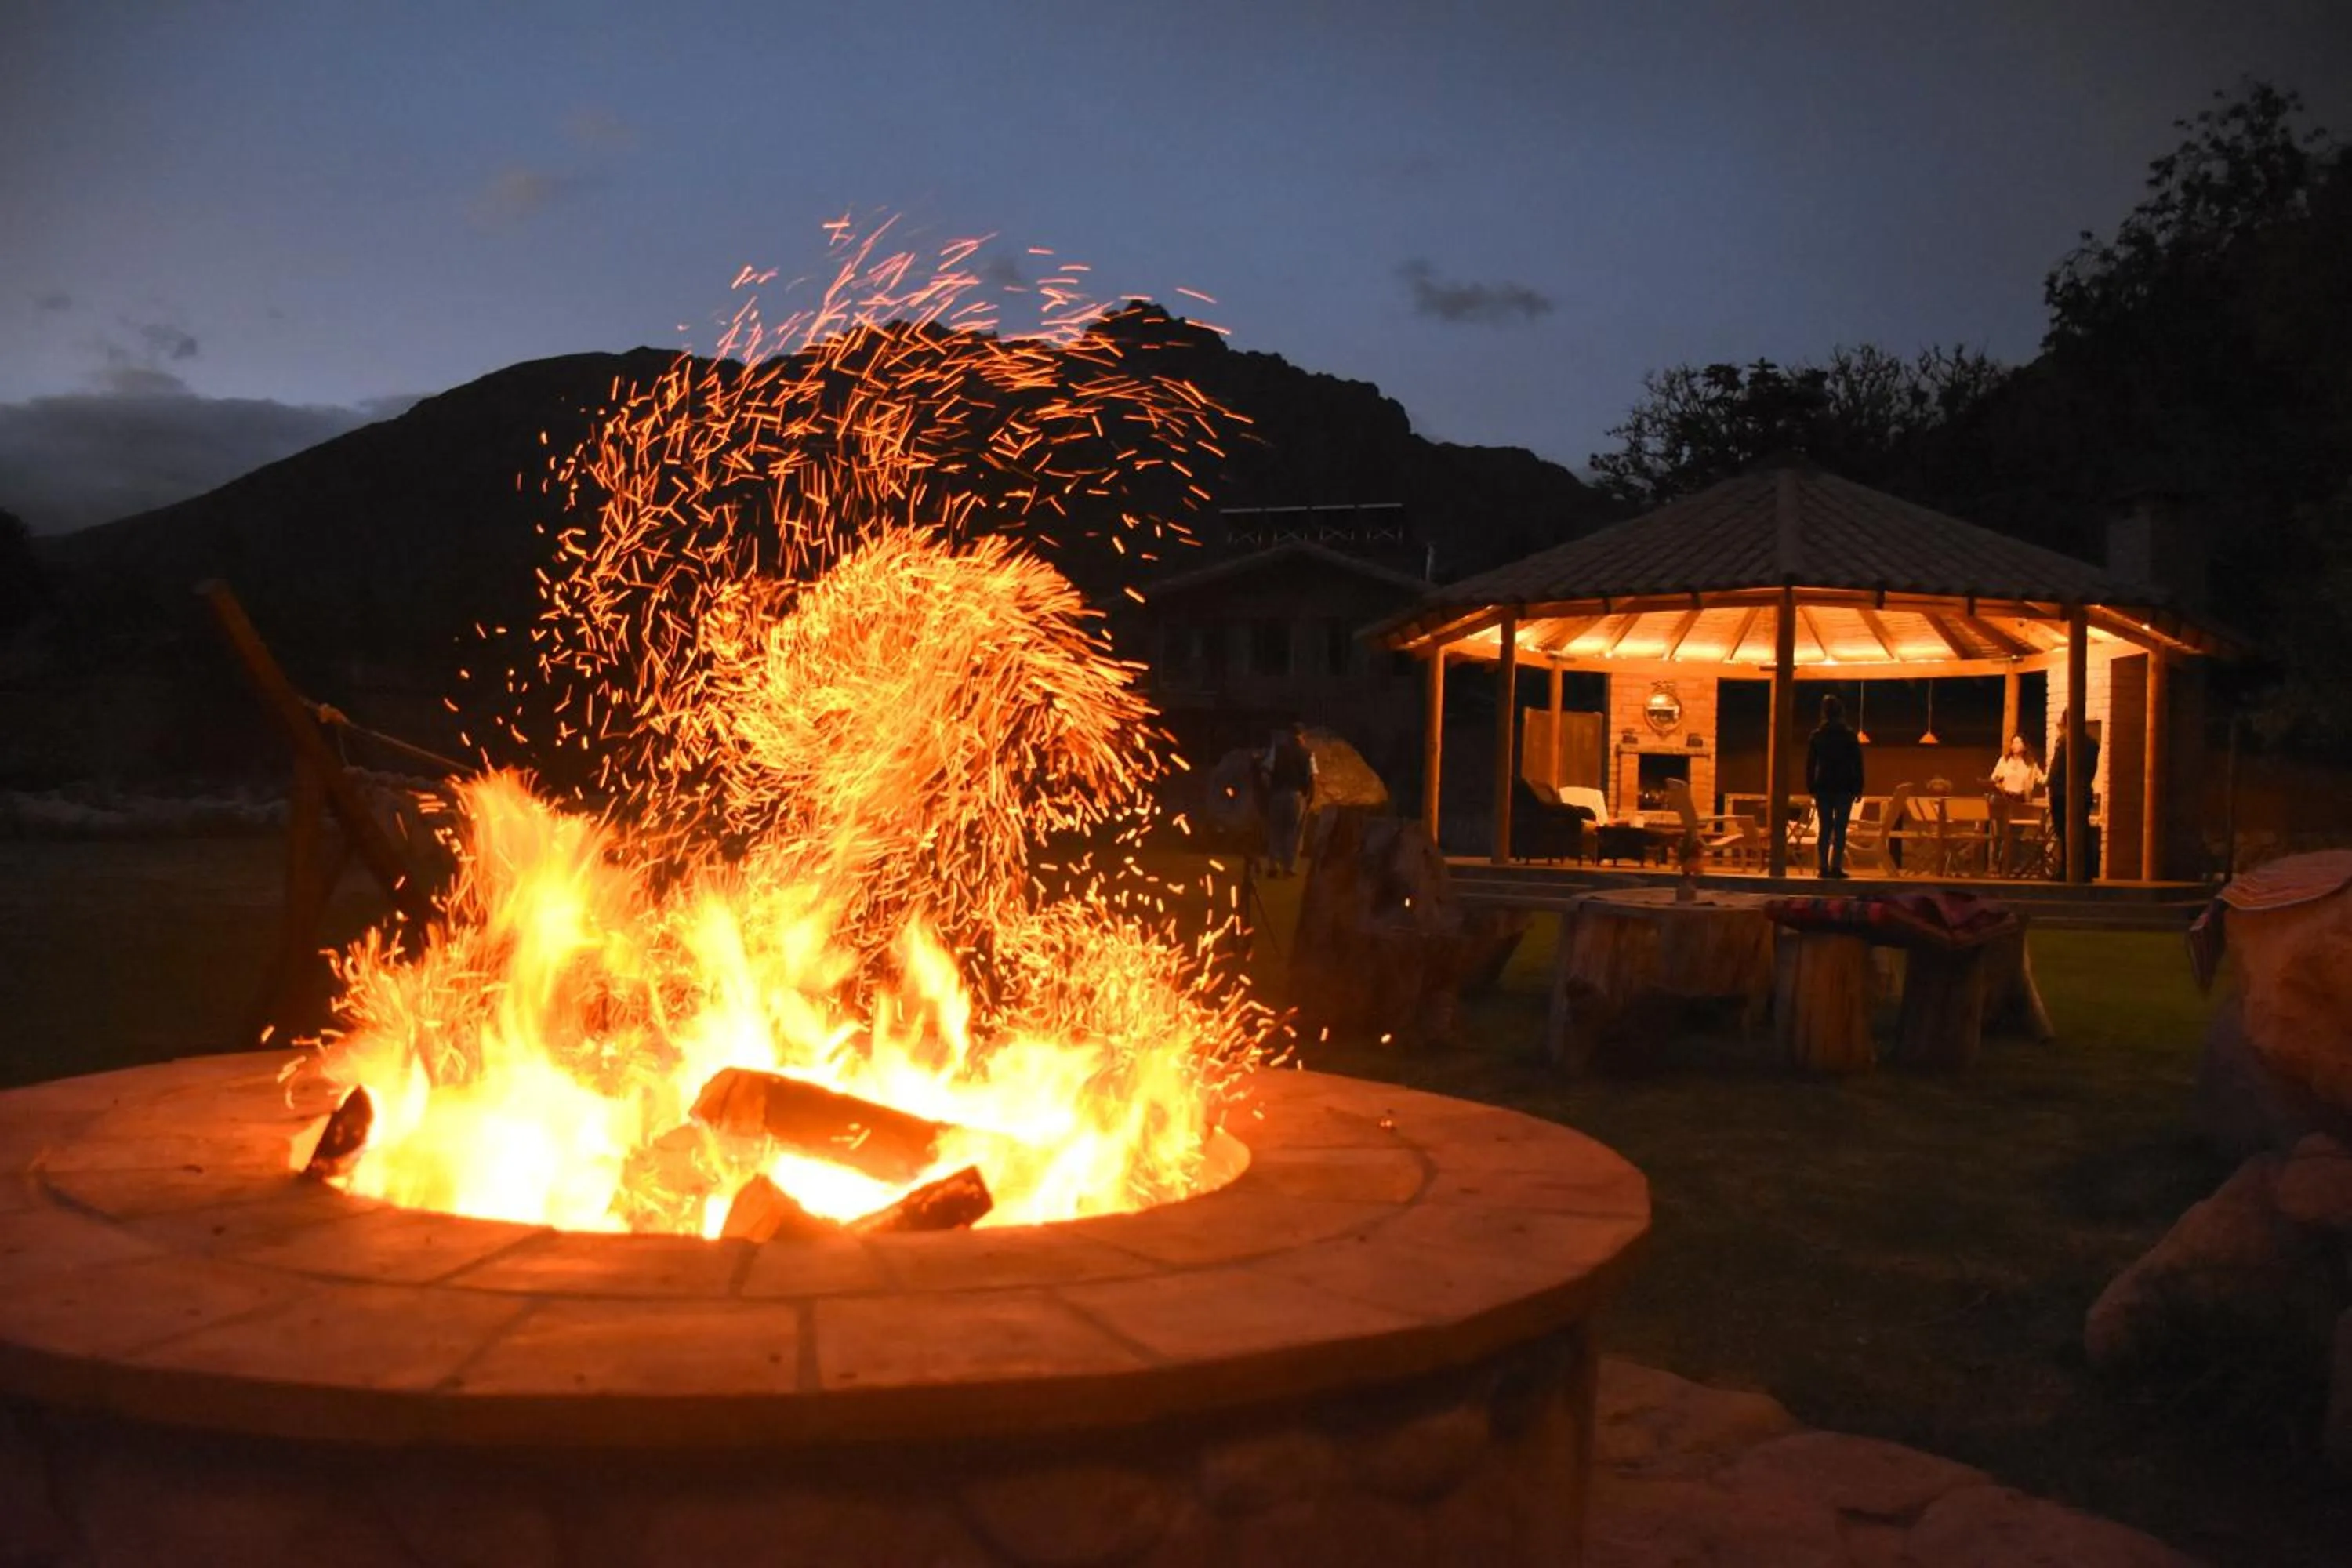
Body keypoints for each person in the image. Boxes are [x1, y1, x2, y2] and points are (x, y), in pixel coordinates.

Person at [1803, 693, 1865, 879]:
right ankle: (1836, 866)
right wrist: (1859, 786)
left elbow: (1811, 764)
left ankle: (1823, 867)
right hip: (1845, 786)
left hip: (1823, 786)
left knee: (1825, 827)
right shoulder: (1849, 735)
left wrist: (1811, 786)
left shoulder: (1817, 736)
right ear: (1841, 712)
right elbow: (1857, 763)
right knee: (1840, 829)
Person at [2046, 710, 2100, 877]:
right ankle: (2087, 869)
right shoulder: (2092, 743)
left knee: (2064, 832)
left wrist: (2051, 784)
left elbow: (2057, 769)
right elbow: (2092, 770)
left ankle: (2067, 870)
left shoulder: (2064, 741)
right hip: (2084, 793)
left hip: (2063, 794)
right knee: (2082, 830)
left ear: (2065, 721)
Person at [1261, 720, 1318, 877]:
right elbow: (1313, 777)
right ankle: (1289, 867)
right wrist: (1310, 798)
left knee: (1276, 831)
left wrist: (1270, 790)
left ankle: (1273, 865)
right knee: (1294, 833)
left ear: (1287, 735)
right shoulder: (1308, 754)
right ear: (1302, 736)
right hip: (1297, 795)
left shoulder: (1277, 751)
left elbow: (1265, 772)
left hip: (1278, 794)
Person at [1988, 735, 2044, 802]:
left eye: (2017, 743)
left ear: (2024, 746)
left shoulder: (2031, 764)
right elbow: (1994, 777)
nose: (2014, 745)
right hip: (2006, 798)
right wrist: (1997, 779)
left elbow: (2042, 779)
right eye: (2013, 743)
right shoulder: (2004, 761)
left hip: (2023, 800)